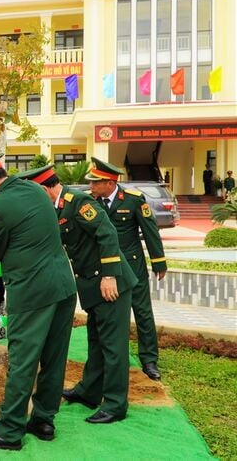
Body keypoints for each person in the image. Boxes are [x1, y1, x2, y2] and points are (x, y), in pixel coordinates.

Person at [0, 155, 77, 451]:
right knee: (53, 356)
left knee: (22, 360)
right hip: (63, 285)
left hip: (32, 293)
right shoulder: (33, 189)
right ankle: (44, 421)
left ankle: (9, 431)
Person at [19, 164, 138, 425]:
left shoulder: (78, 202)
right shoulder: (56, 208)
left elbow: (106, 232)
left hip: (110, 283)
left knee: (114, 346)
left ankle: (116, 405)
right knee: (96, 340)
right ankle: (89, 391)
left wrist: (109, 276)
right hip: (92, 285)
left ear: (44, 188)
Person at [87, 157, 167, 381]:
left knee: (141, 311)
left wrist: (158, 262)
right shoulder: (92, 202)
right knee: (109, 314)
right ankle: (109, 356)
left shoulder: (133, 200)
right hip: (105, 269)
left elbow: (150, 231)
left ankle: (149, 359)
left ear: (110, 183)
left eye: (95, 183)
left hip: (132, 266)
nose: (91, 186)